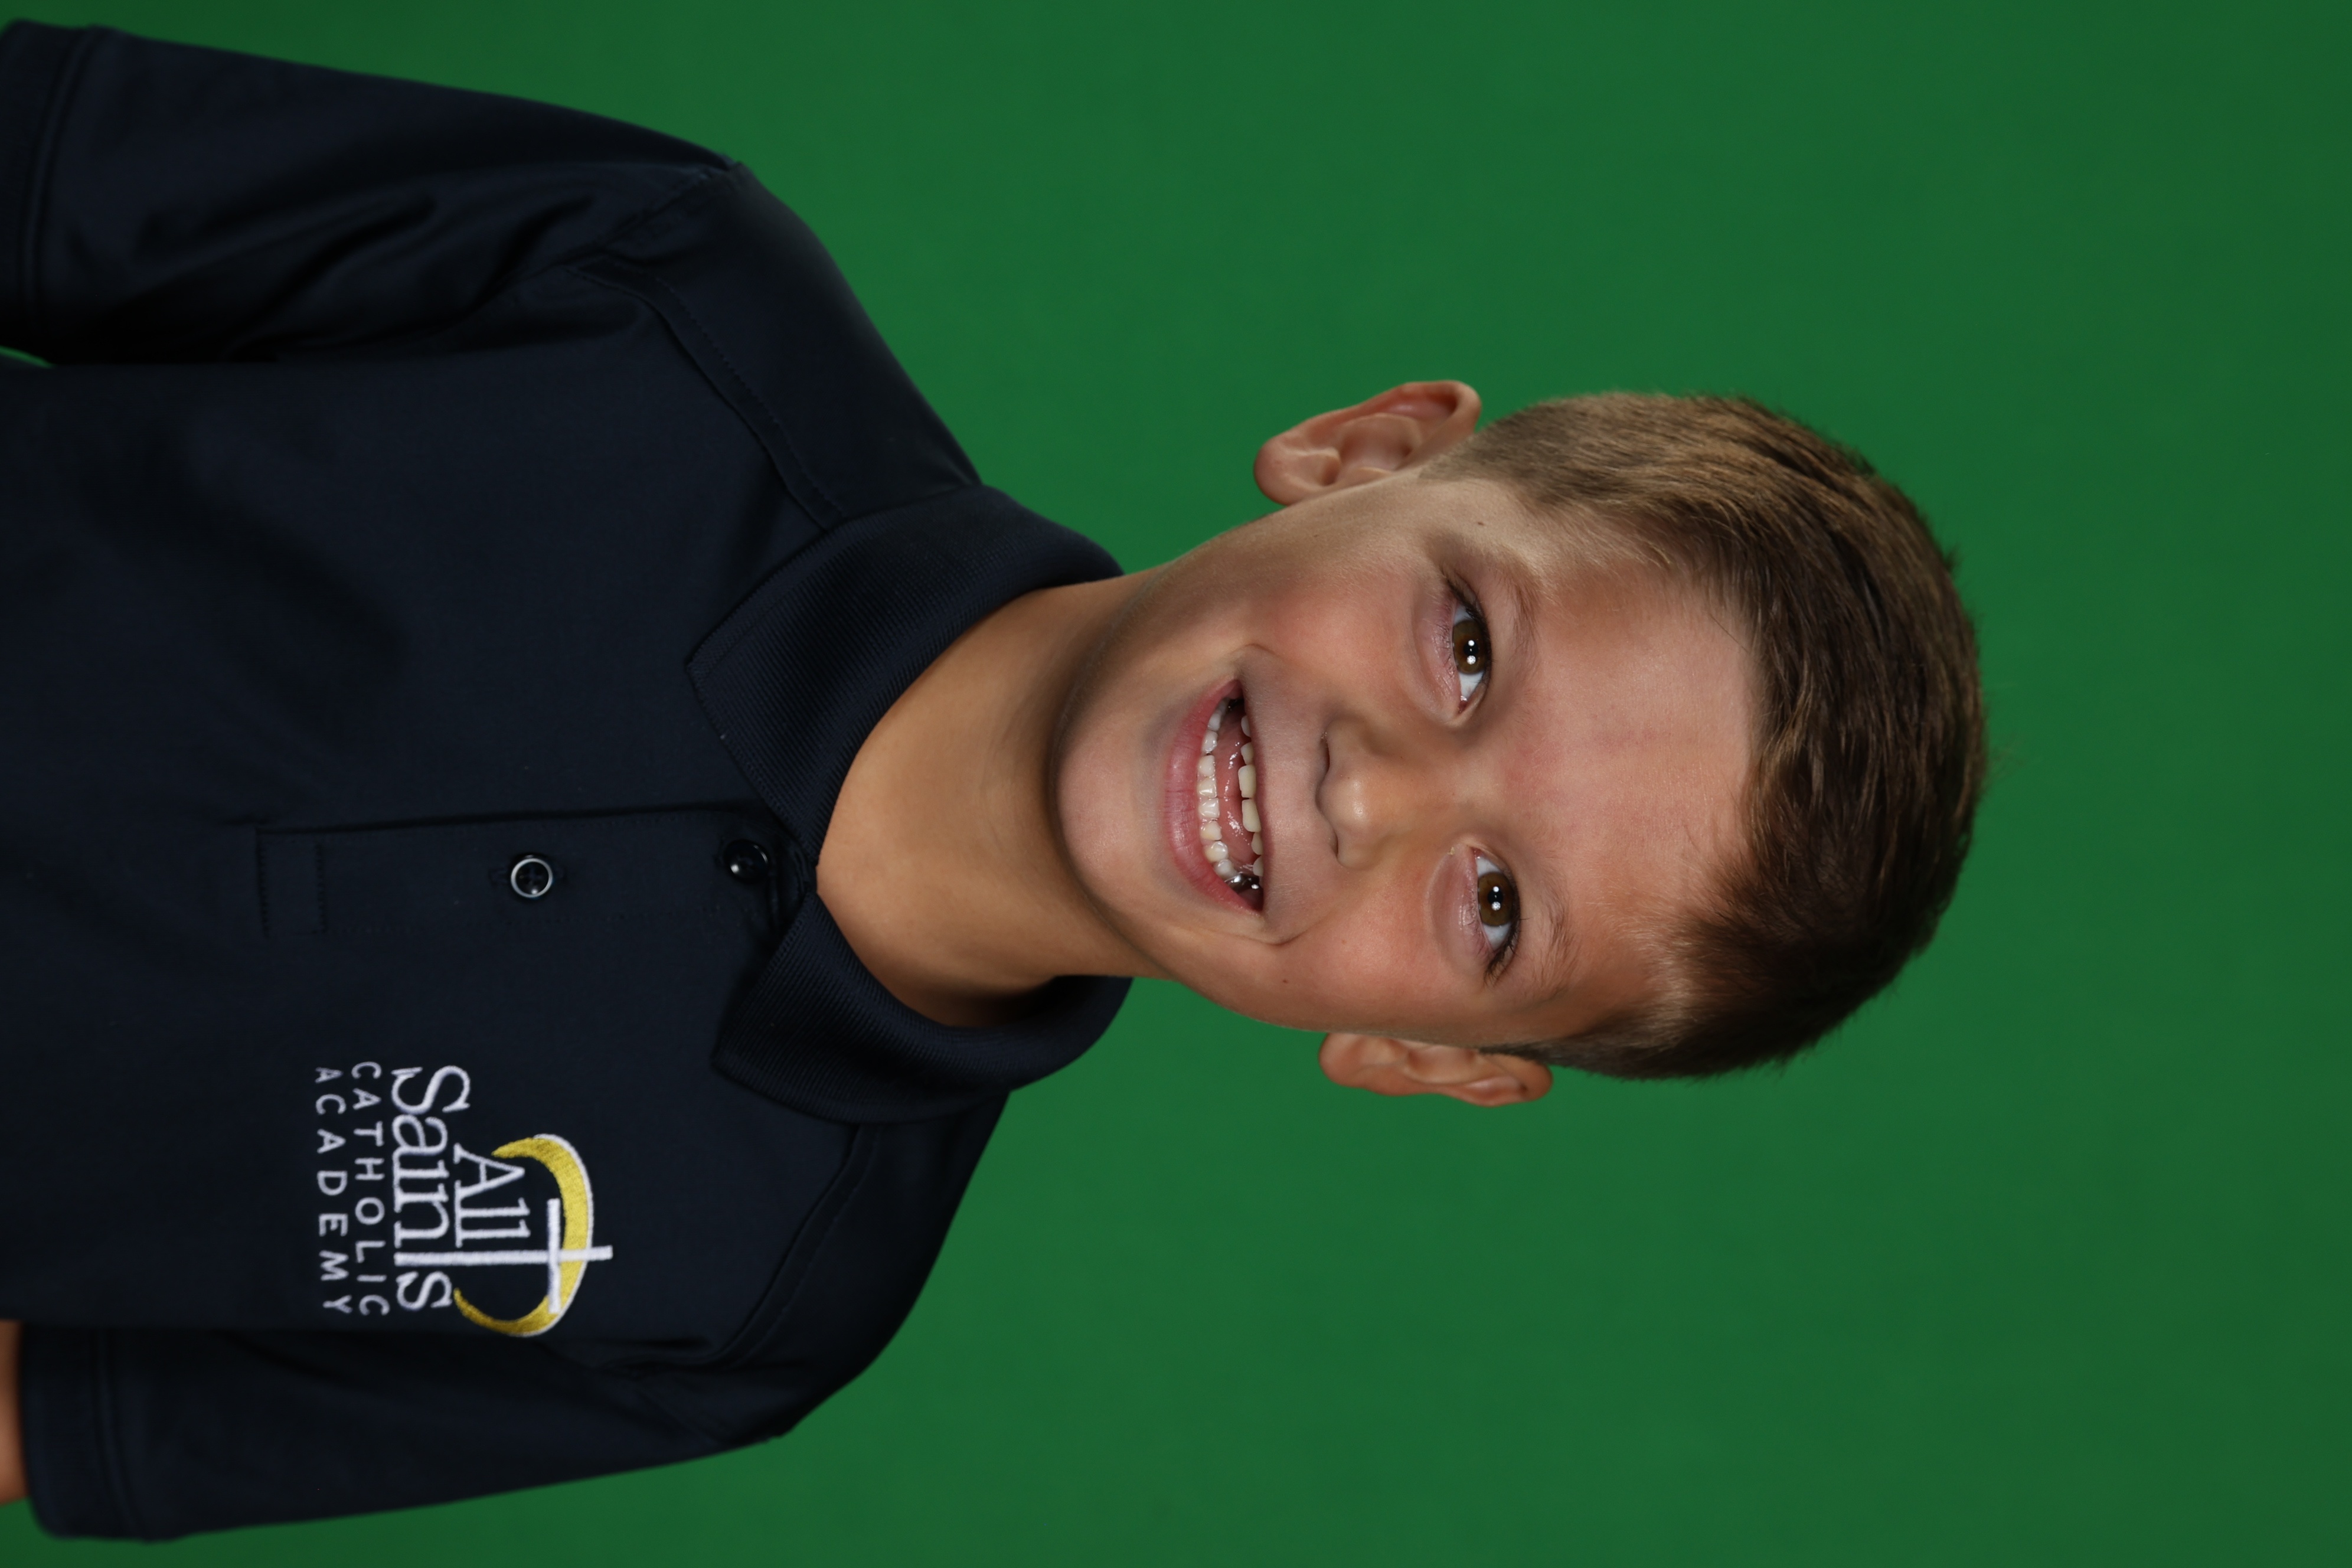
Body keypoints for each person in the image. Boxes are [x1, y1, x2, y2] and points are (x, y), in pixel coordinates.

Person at [0, 21, 1984, 1541]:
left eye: (1493, 906)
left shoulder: (757, 1311)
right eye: (1466, 644)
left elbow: (48, 1414)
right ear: (1371, 450)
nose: (1370, 794)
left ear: (1423, 1056)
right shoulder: (661, 289)